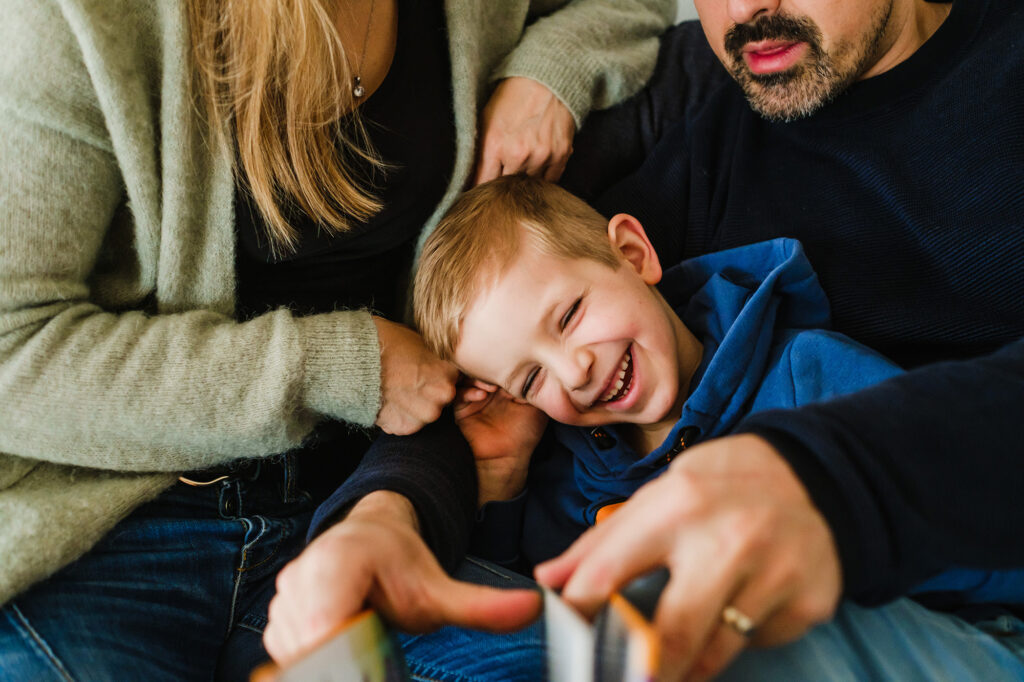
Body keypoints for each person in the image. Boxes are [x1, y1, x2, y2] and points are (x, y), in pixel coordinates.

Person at [267, 0, 1024, 679]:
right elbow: (495, 331)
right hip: (647, 630)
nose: (745, 10)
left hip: (931, 594)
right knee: (368, 625)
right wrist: (386, 510)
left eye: (569, 327)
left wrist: (829, 485)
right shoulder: (716, 115)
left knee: (683, 619)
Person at [0, 0, 677, 679]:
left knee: (613, 669)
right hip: (105, 536)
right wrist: (345, 367)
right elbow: (11, 354)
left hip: (343, 509)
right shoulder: (75, 19)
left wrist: (549, 71)